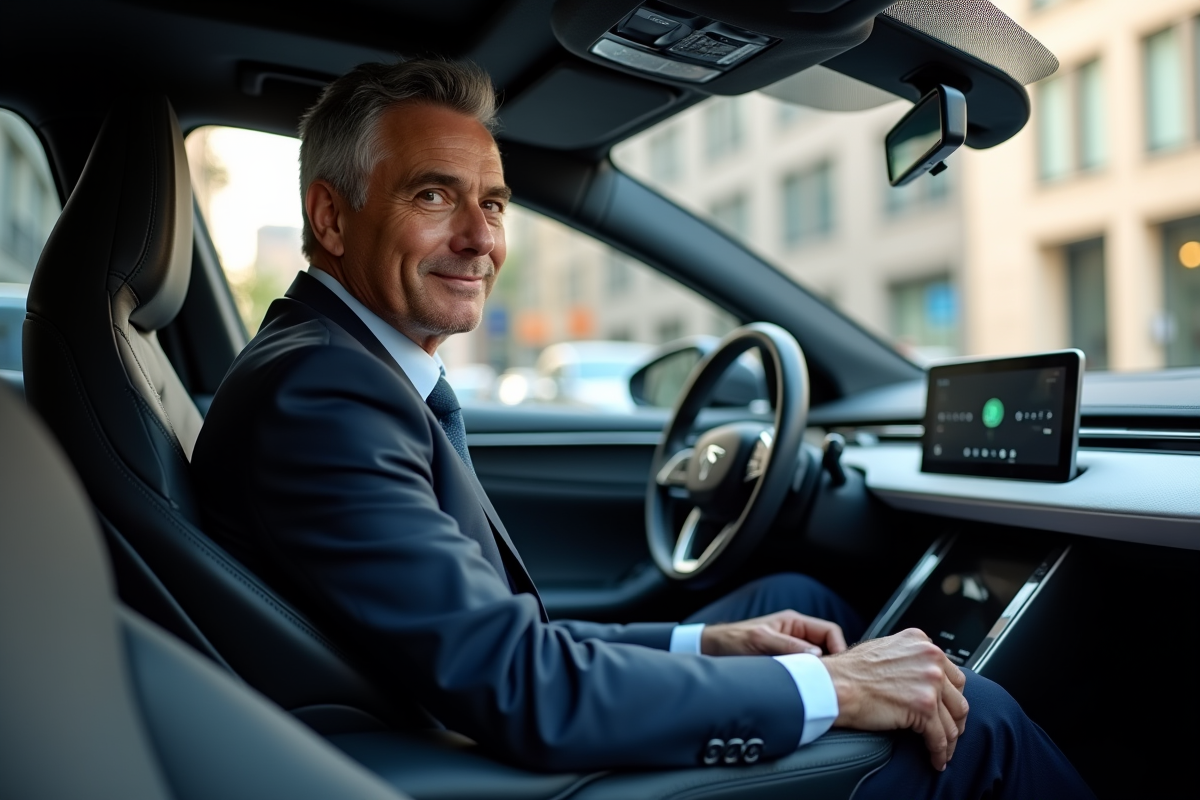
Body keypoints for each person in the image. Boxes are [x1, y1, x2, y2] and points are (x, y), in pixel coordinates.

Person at [191, 58, 1094, 798]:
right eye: (436, 196)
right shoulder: (324, 395)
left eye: (495, 203)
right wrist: (836, 688)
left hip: (440, 724)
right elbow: (517, 685)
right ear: (330, 216)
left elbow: (486, 640)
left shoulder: (337, 367)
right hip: (465, 766)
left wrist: (709, 644)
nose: (481, 239)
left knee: (800, 605)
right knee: (985, 724)